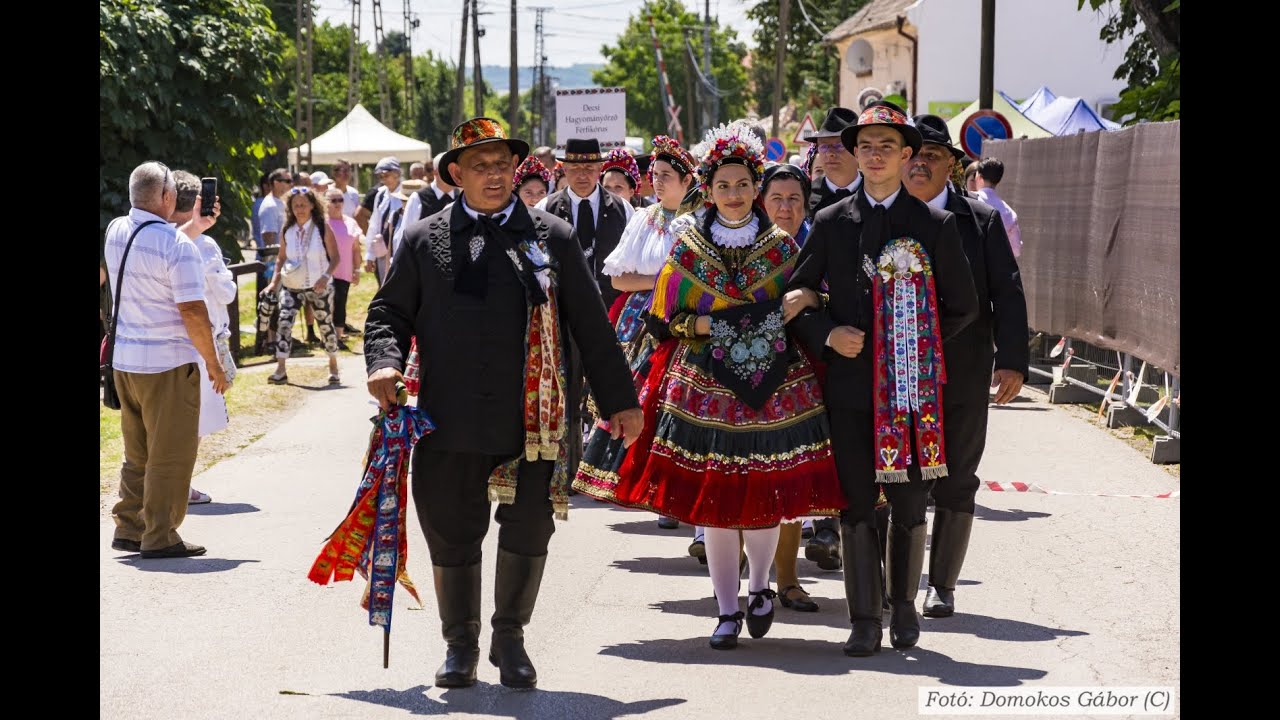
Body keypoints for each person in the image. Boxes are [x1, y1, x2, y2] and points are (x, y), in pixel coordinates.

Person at [364, 117, 641, 690]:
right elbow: (387, 312)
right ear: (456, 174)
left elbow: (591, 327)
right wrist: (384, 361)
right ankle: (459, 644)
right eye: (481, 166)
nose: (494, 175)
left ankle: (510, 638)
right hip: (448, 417)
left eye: (502, 165)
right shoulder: (423, 239)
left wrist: (621, 400)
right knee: (450, 527)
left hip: (533, 421)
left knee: (529, 527)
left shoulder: (552, 237)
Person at [573, 123, 845, 650]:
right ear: (710, 188)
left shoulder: (784, 246)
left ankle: (762, 586)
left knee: (765, 491)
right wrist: (714, 326)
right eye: (724, 185)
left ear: (756, 188)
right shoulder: (686, 245)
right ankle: (726, 610)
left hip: (776, 385)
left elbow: (813, 295)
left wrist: (804, 302)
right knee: (718, 503)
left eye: (743, 184)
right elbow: (662, 318)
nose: (734, 194)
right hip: (703, 389)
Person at [787, 101, 979, 655]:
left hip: (911, 394)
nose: (875, 155)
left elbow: (964, 306)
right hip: (848, 388)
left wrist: (914, 343)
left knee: (910, 503)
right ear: (853, 152)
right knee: (854, 502)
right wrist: (828, 335)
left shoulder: (935, 225)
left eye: (887, 146)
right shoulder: (829, 222)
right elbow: (798, 299)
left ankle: (903, 610)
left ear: (907, 155)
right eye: (865, 145)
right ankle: (864, 619)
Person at [902, 115, 1029, 618]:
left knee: (957, 475)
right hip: (898, 374)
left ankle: (943, 586)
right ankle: (901, 586)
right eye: (913, 156)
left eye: (932, 157)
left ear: (953, 166)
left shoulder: (982, 220)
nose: (920, 165)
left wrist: (1013, 362)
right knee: (902, 477)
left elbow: (1008, 293)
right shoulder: (887, 217)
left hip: (965, 368)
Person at [105, 161, 227, 559]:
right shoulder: (177, 246)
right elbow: (193, 311)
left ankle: (129, 527)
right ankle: (160, 535)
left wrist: (194, 227)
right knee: (171, 453)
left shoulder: (117, 230)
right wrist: (213, 363)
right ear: (167, 197)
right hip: (168, 364)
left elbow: (153, 244)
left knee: (137, 452)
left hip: (125, 362)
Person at [579, 134, 697, 533]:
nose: (659, 182)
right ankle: (652, 488)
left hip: (684, 322)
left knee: (676, 407)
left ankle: (680, 493)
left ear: (687, 180)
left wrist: (665, 285)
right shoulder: (644, 218)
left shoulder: (700, 222)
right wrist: (663, 280)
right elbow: (620, 278)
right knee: (642, 404)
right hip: (641, 323)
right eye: (655, 175)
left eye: (667, 175)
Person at [169, 171, 238, 505]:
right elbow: (225, 292)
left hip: (162, 340)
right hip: (199, 337)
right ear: (199, 203)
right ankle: (181, 485)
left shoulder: (153, 236)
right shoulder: (202, 242)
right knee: (193, 422)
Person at [536, 138, 635, 308]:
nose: (582, 174)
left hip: (610, 308)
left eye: (589, 168)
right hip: (563, 308)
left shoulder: (623, 209)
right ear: (565, 169)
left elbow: (633, 261)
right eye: (575, 168)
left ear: (599, 169)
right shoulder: (545, 208)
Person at [261, 187, 342, 385]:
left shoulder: (322, 227)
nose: (299, 209)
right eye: (296, 205)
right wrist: (273, 283)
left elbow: (336, 258)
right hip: (292, 285)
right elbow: (281, 259)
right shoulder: (287, 230)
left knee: (325, 325)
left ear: (313, 205)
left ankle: (333, 364)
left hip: (318, 286)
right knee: (284, 322)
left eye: (303, 205)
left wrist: (325, 277)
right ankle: (281, 368)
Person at [324, 187, 364, 349]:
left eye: (340, 200)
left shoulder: (350, 222)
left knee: (341, 303)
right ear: (326, 203)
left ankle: (338, 337)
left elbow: (355, 248)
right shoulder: (322, 223)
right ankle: (326, 337)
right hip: (326, 272)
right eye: (333, 200)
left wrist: (356, 269)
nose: (338, 204)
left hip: (345, 271)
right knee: (327, 305)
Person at [804, 107, 862, 219]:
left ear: (857, 151)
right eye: (824, 146)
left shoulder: (875, 192)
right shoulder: (806, 195)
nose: (830, 153)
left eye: (839, 146)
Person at [361, 157, 404, 285]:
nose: (384, 179)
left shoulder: (407, 193)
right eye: (381, 176)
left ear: (397, 174)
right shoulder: (380, 195)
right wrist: (370, 255)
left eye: (387, 175)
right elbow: (374, 225)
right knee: (383, 287)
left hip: (400, 250)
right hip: (382, 250)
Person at [973, 158, 1023, 259]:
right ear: (998, 180)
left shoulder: (968, 200)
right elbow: (1016, 250)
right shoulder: (1009, 212)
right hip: (995, 267)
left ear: (979, 176)